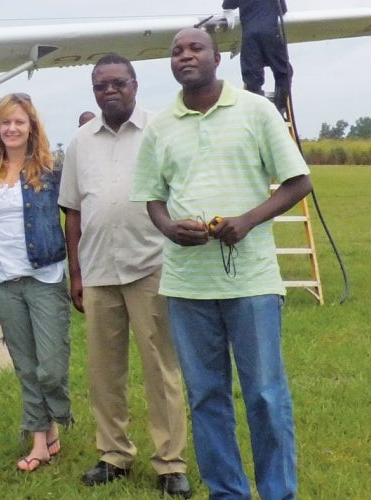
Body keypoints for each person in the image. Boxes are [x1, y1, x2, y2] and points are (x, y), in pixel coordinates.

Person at [131, 27, 311, 500]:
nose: (185, 56)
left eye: (195, 48)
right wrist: (170, 228)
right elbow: (151, 197)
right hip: (187, 286)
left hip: (251, 282)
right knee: (207, 397)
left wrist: (248, 220)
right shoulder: (160, 125)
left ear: (217, 57)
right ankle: (227, 492)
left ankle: (277, 493)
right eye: (176, 51)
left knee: (266, 396)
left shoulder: (255, 110)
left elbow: (298, 182)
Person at [60, 53, 191, 498]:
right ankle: (113, 454)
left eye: (118, 83)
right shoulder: (80, 140)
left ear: (134, 84)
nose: (109, 91)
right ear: (93, 92)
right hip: (97, 269)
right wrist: (75, 274)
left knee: (160, 367)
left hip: (150, 264)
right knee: (103, 371)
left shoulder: (160, 130)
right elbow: (73, 212)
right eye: (101, 86)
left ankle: (170, 462)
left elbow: (178, 193)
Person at [0, 93, 71, 473]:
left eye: (19, 122)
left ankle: (56, 417)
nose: (12, 129)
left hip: (44, 275)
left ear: (32, 127)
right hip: (2, 279)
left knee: (50, 366)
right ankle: (40, 439)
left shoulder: (50, 170)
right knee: (26, 365)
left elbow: (76, 216)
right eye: (5, 123)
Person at [223, 0, 293, 115]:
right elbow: (283, 10)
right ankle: (279, 109)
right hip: (270, 34)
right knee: (284, 72)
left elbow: (227, 6)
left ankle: (258, 112)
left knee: (252, 77)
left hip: (250, 36)